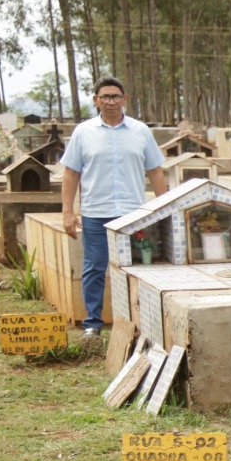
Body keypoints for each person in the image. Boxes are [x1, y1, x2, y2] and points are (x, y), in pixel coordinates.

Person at [60, 78, 165, 332]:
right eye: (105, 97)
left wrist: (164, 209)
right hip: (96, 213)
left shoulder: (140, 131)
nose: (111, 102)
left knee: (139, 268)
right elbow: (71, 173)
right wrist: (67, 211)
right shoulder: (84, 133)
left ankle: (140, 323)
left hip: (134, 214)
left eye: (116, 97)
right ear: (96, 100)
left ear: (125, 99)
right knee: (94, 267)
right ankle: (93, 324)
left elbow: (155, 171)